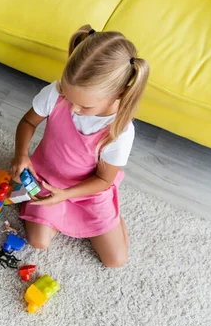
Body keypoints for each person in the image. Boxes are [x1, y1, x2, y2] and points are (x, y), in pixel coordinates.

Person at [10, 25, 150, 268]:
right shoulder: (56, 93)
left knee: (116, 260)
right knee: (39, 242)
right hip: (46, 177)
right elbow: (28, 121)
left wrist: (65, 195)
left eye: (85, 106)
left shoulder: (120, 131)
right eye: (69, 96)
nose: (73, 108)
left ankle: (111, 216)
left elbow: (102, 180)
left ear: (118, 94)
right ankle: (63, 212)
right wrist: (21, 154)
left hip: (89, 189)